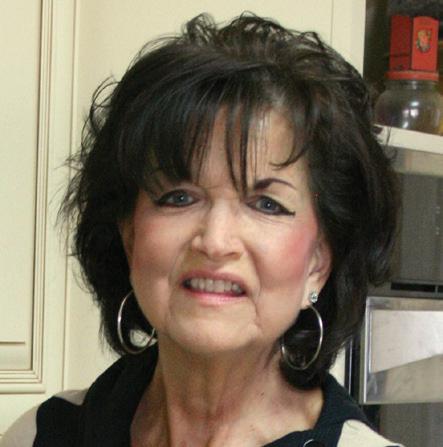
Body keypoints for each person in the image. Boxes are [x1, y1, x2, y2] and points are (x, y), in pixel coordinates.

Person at [1, 13, 403, 447]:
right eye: (178, 197)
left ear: (318, 263)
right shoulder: (40, 436)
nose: (214, 241)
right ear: (129, 234)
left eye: (266, 204)